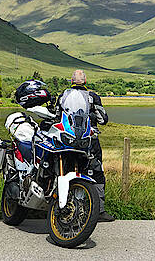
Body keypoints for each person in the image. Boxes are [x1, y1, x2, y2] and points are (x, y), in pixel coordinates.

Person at [55, 69, 115, 222]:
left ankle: (57, 207)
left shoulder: (63, 96)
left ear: (71, 81)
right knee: (97, 173)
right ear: (86, 81)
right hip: (89, 142)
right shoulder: (93, 97)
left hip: (66, 140)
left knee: (61, 170)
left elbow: (56, 116)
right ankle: (99, 211)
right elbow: (103, 119)